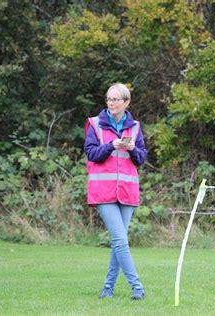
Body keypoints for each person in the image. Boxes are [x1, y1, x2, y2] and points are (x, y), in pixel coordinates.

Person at [84, 83, 146, 300]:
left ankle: (108, 289)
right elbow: (91, 154)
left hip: (128, 191)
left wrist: (132, 149)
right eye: (109, 99)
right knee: (120, 240)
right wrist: (112, 145)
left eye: (116, 99)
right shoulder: (94, 124)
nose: (111, 103)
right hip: (103, 191)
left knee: (118, 242)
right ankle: (137, 287)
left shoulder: (135, 127)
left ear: (126, 102)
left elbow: (141, 158)